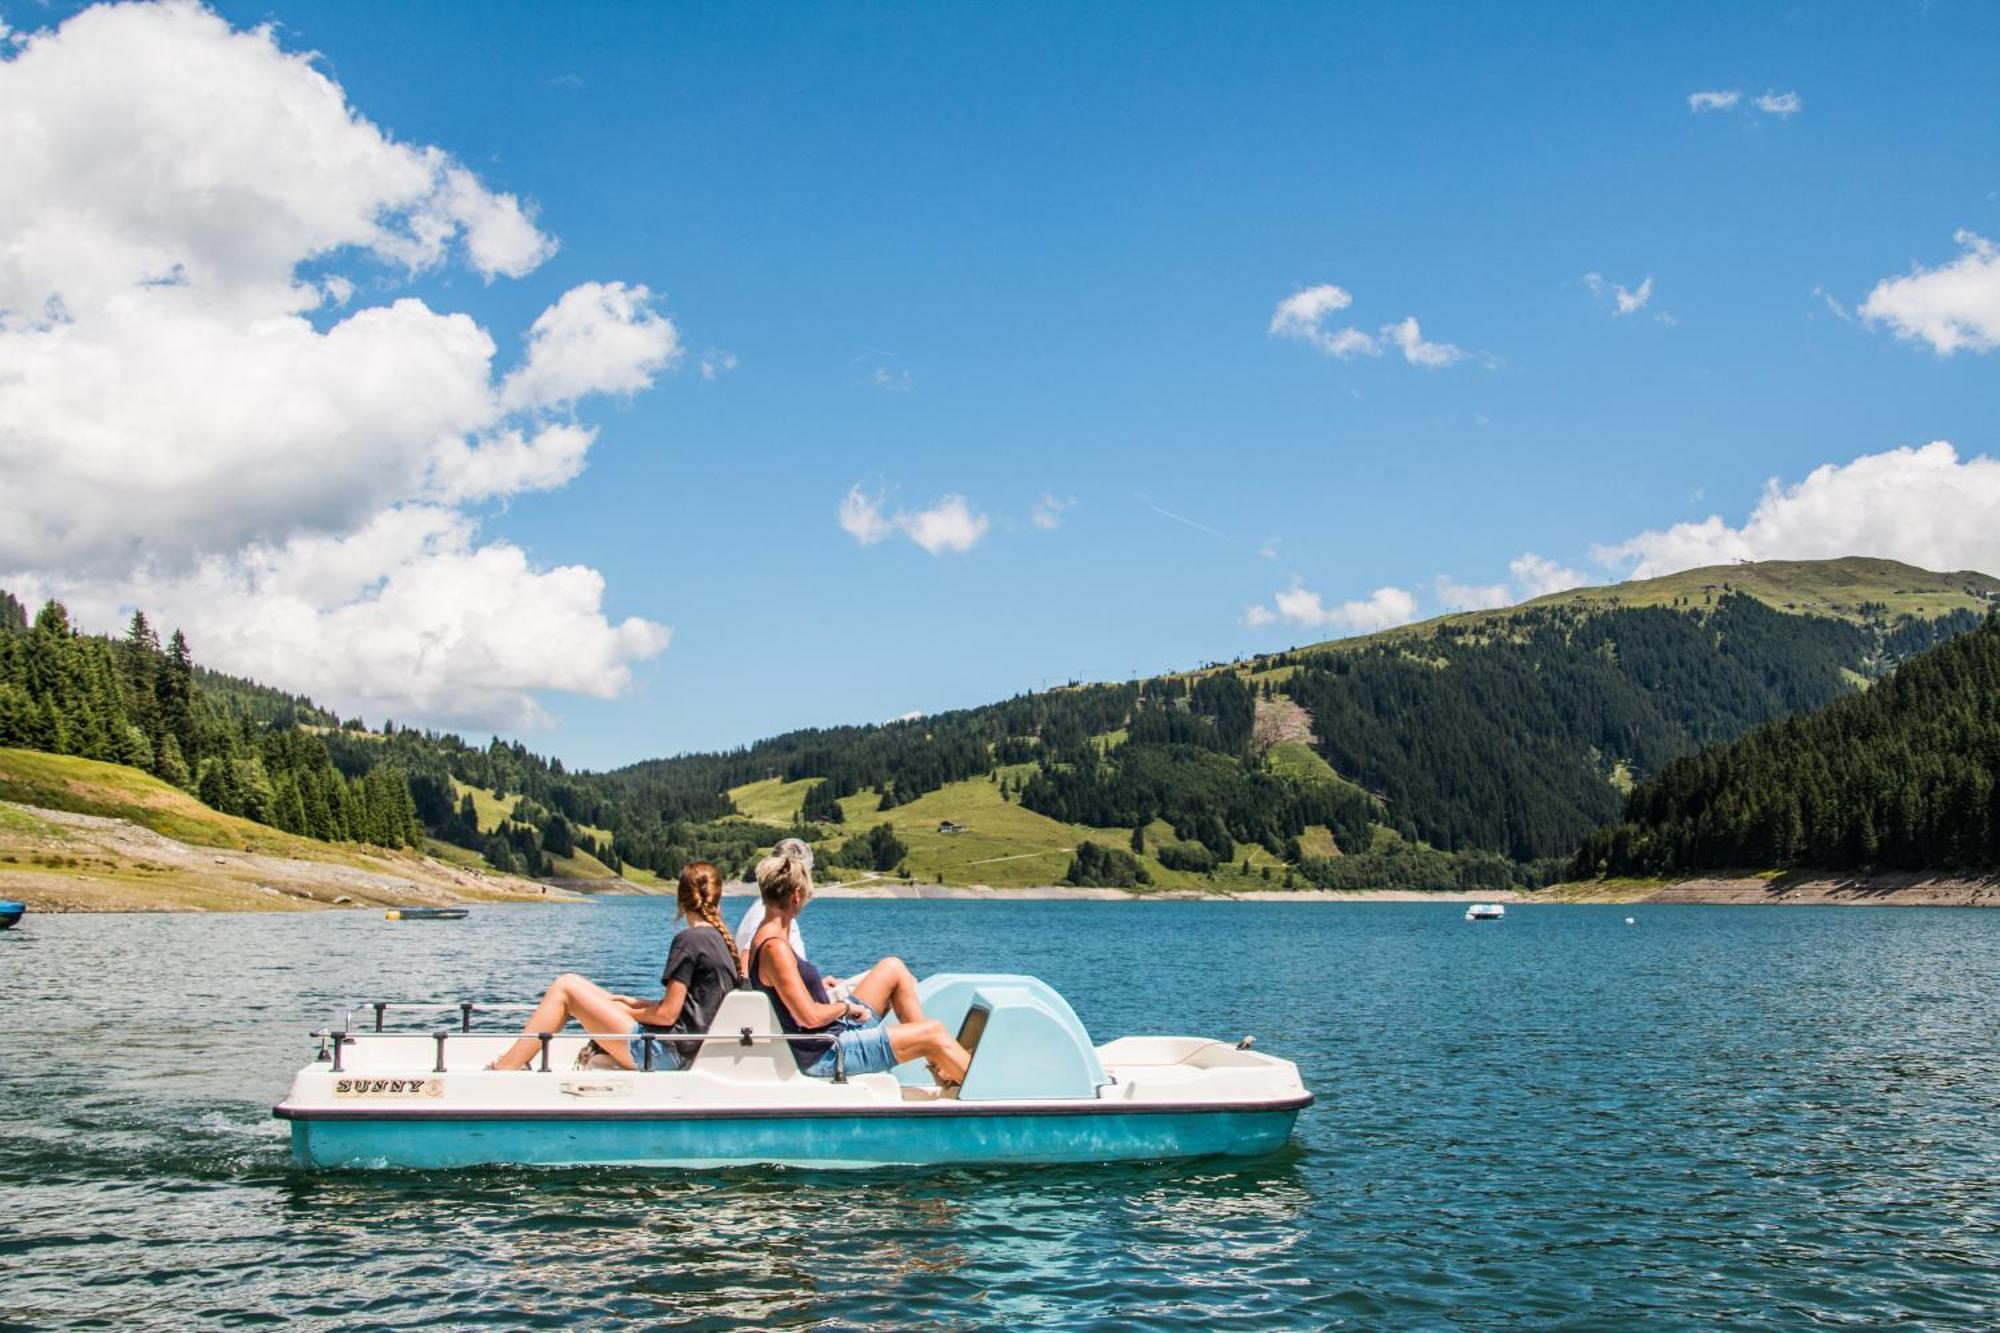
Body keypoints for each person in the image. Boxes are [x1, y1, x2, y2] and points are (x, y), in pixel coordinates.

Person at [747, 839, 970, 1087]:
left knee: (892, 967)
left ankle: (940, 1067)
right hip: (827, 1053)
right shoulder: (774, 947)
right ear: (797, 895)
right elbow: (808, 1017)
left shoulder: (768, 936)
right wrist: (844, 1008)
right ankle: (983, 1092)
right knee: (934, 1032)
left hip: (830, 1034)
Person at [487, 861, 740, 1071]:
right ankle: (519, 1061)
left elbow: (667, 1015)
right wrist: (630, 1003)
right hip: (683, 1051)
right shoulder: (720, 941)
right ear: (718, 898)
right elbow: (688, 1008)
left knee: (564, 988)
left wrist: (629, 1013)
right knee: (575, 981)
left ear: (681, 900)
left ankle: (505, 1069)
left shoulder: (690, 940)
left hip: (665, 1054)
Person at [732, 838, 867, 1001]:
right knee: (887, 974)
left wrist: (814, 984)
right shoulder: (772, 918)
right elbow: (747, 968)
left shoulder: (766, 909)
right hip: (797, 1011)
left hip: (796, 1001)